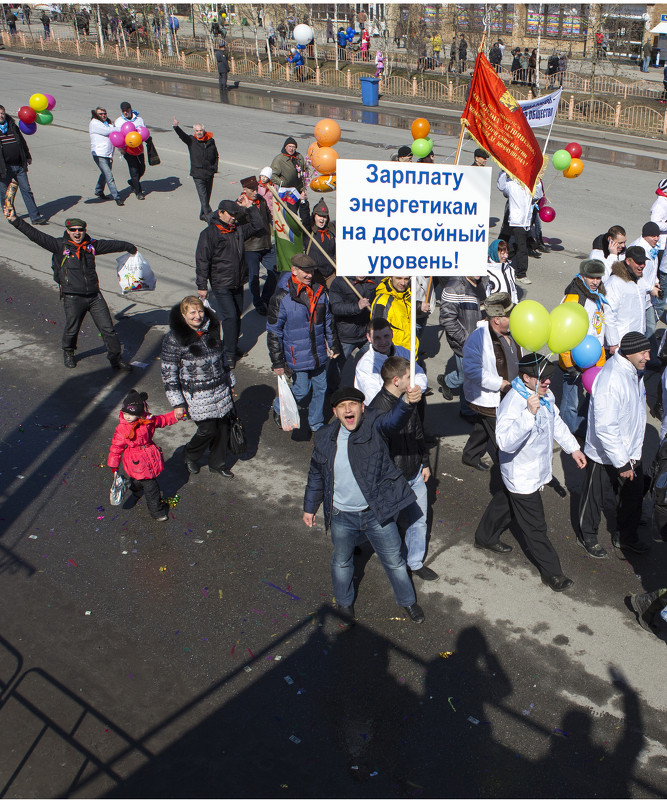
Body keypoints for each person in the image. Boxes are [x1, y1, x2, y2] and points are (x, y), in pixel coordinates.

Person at [302, 384, 426, 624]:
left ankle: (408, 601)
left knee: (395, 561)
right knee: (341, 561)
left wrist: (407, 403)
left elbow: (393, 420)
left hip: (376, 513)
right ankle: (344, 603)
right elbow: (316, 473)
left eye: (353, 405)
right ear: (336, 412)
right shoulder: (324, 437)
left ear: (362, 407)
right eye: (342, 406)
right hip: (341, 515)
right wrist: (310, 506)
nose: (348, 410)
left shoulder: (375, 424)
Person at [474, 353, 586, 591]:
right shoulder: (514, 402)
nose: (548, 383)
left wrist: (573, 448)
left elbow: (555, 421)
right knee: (535, 526)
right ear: (526, 378)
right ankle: (552, 573)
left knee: (505, 502)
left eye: (550, 378)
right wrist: (528, 414)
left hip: (534, 469)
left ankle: (485, 536)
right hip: (522, 474)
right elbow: (503, 442)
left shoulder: (544, 394)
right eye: (543, 379)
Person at [5, 213, 135, 370]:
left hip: (94, 296)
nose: (77, 233)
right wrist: (15, 221)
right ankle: (68, 352)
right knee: (72, 329)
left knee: (108, 329)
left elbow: (111, 245)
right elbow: (35, 235)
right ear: (68, 231)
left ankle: (115, 359)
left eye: (80, 229)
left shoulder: (90, 246)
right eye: (73, 230)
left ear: (84, 230)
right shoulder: (59, 246)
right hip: (73, 297)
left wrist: (128, 246)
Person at [579, 332, 652, 557]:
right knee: (594, 498)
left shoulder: (633, 370)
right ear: (629, 353)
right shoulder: (612, 380)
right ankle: (588, 535)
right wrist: (622, 463)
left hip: (630, 451)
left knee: (632, 495)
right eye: (643, 352)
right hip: (605, 454)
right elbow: (605, 428)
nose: (648, 357)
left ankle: (626, 537)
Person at [369, 357, 437, 581]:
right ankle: (396, 566)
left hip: (415, 471)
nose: (413, 382)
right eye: (409, 377)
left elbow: (418, 432)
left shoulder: (410, 399)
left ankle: (415, 562)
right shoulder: (378, 408)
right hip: (394, 478)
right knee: (390, 526)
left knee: (419, 520)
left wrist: (424, 463)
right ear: (397, 380)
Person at [161, 296, 237, 478]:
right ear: (183, 315)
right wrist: (178, 404)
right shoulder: (173, 339)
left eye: (200, 311)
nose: (198, 316)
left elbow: (222, 359)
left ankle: (218, 463)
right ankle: (190, 454)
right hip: (197, 395)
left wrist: (230, 382)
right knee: (207, 430)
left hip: (220, 390)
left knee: (222, 428)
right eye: (192, 312)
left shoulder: (211, 329)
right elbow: (168, 373)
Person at [267, 253, 340, 433]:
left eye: (311, 271)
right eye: (305, 272)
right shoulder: (281, 297)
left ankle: (316, 423)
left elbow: (327, 321)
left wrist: (333, 344)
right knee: (301, 390)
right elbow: (274, 331)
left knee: (321, 388)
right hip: (296, 355)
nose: (309, 275)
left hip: (319, 353)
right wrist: (277, 362)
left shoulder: (320, 292)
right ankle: (278, 406)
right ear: (294, 270)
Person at [195, 197, 263, 368]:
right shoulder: (209, 234)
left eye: (235, 214)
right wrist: (202, 285)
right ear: (221, 213)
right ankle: (229, 354)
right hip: (221, 283)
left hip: (238, 281)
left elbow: (258, 225)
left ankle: (231, 345)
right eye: (231, 214)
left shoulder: (237, 230)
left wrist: (250, 207)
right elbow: (202, 260)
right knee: (230, 316)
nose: (234, 217)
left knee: (237, 315)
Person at [462, 292, 519, 470]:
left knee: (482, 427)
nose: (514, 318)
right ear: (497, 319)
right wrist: (499, 383)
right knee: (501, 436)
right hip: (491, 398)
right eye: (509, 316)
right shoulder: (477, 339)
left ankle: (470, 455)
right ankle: (507, 467)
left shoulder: (513, 332)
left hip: (510, 393)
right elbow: (472, 370)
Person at [108, 390, 183, 521]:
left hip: (149, 454)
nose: (127, 417)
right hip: (136, 460)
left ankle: (135, 489)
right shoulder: (122, 428)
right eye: (125, 413)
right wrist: (113, 465)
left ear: (139, 412)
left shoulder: (147, 420)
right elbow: (116, 447)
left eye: (131, 414)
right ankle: (157, 512)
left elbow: (162, 420)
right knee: (151, 487)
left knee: (139, 480)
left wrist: (176, 416)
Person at [558, 259, 608, 438]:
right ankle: (565, 432)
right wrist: (568, 364)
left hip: (593, 355)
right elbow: (562, 331)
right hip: (574, 357)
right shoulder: (574, 297)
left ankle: (579, 425)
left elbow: (599, 327)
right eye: (591, 277)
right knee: (570, 400)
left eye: (598, 277)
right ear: (582, 276)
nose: (595, 281)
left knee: (592, 394)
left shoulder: (599, 295)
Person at [437, 274, 486, 418]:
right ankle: (467, 411)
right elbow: (447, 320)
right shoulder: (453, 288)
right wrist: (467, 341)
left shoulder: (484, 282)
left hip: (481, 341)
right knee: (467, 377)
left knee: (464, 375)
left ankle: (446, 381)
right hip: (465, 343)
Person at [355, 317, 428, 404]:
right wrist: (404, 398)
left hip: (411, 404)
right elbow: (374, 398)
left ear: (392, 334)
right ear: (369, 338)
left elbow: (419, 374)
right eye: (377, 338)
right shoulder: (365, 366)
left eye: (386, 336)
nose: (383, 342)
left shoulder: (404, 352)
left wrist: (417, 388)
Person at [604, 245, 658, 351]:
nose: (642, 265)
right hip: (621, 343)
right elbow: (608, 315)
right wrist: (613, 343)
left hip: (637, 340)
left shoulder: (639, 279)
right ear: (628, 261)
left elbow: (646, 285)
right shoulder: (615, 282)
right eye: (638, 262)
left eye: (644, 262)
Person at [0, 105, 47, 225]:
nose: (1, 115)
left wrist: (27, 156)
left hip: (19, 165)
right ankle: (11, 214)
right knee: (5, 194)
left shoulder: (12, 126)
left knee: (26, 190)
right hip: (4, 168)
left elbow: (21, 142)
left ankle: (35, 217)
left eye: (2, 113)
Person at [328, 275, 376, 389]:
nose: (361, 273)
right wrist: (357, 306)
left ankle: (369, 389)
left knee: (374, 362)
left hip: (366, 333)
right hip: (346, 335)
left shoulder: (374, 280)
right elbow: (335, 308)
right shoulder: (340, 281)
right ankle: (331, 392)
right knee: (337, 367)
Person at [238, 175, 276, 316]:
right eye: (252, 189)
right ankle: (258, 303)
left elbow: (267, 217)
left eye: (256, 189)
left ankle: (265, 298)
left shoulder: (261, 200)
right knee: (253, 277)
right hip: (251, 247)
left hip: (266, 244)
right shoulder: (240, 204)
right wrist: (244, 209)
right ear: (244, 189)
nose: (255, 192)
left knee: (275, 270)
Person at [498, 171, 542, 284]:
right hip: (514, 219)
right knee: (506, 243)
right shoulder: (511, 184)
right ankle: (519, 273)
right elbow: (501, 186)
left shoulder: (530, 185)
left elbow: (538, 195)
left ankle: (517, 270)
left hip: (524, 222)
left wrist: (537, 182)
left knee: (518, 246)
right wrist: (504, 171)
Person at [172, 117, 219, 221]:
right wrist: (176, 127)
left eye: (201, 130)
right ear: (194, 132)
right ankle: (209, 217)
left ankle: (202, 215)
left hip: (209, 173)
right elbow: (182, 136)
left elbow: (216, 155)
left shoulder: (211, 141)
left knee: (207, 196)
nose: (199, 133)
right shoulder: (191, 141)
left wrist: (214, 168)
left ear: (204, 131)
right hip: (198, 174)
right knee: (203, 197)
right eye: (197, 131)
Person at [629, 222, 662, 342]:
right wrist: (650, 288)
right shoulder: (638, 249)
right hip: (640, 295)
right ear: (645, 236)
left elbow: (652, 269)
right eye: (653, 236)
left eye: (658, 236)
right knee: (643, 328)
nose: (656, 239)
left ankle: (651, 356)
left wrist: (656, 281)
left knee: (650, 327)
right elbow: (635, 275)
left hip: (648, 297)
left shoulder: (652, 248)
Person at [89, 107, 123, 206]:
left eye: (104, 113)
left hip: (108, 154)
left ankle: (98, 190)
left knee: (105, 173)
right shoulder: (94, 123)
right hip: (99, 154)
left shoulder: (107, 123)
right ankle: (117, 197)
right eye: (100, 114)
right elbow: (107, 131)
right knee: (109, 176)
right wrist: (119, 129)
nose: (103, 115)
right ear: (96, 115)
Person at [371, 275, 416, 351]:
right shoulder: (383, 301)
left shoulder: (407, 296)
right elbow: (377, 334)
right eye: (399, 278)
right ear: (390, 277)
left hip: (411, 351)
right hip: (396, 356)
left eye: (406, 279)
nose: (403, 283)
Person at [299, 196, 336, 288]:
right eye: (319, 215)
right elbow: (305, 218)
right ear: (314, 216)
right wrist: (303, 202)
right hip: (314, 274)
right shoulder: (309, 231)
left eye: (324, 216)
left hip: (330, 274)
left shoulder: (331, 231)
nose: (322, 219)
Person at [114, 101, 146, 200]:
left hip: (139, 148)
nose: (125, 113)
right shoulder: (119, 121)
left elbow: (143, 131)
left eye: (127, 110)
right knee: (134, 170)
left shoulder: (139, 120)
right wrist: (121, 149)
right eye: (123, 111)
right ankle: (139, 192)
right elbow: (117, 137)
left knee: (142, 168)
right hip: (127, 149)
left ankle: (132, 182)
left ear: (130, 109)